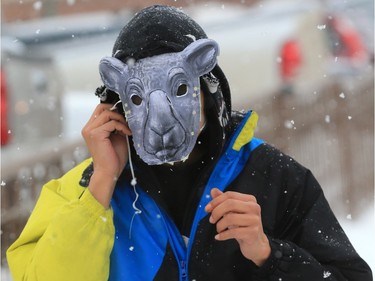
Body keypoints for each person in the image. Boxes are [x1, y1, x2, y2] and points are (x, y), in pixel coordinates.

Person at [7, 5, 372, 281]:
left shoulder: (276, 178)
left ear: (206, 88)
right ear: (116, 104)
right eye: (137, 98)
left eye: (179, 89)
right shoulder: (80, 193)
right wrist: (100, 184)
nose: (161, 118)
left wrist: (269, 255)